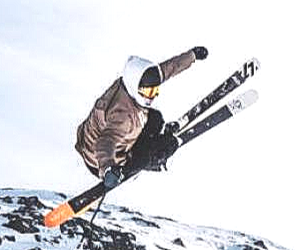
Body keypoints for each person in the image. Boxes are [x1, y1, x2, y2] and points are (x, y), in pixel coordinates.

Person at [75, 46, 209, 190]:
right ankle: (149, 159)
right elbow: (105, 142)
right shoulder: (122, 116)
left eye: (155, 90)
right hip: (100, 161)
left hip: (94, 140)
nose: (152, 96)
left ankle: (150, 142)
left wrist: (192, 55)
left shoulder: (132, 82)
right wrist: (108, 169)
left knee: (155, 118)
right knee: (165, 146)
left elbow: (168, 68)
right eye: (148, 92)